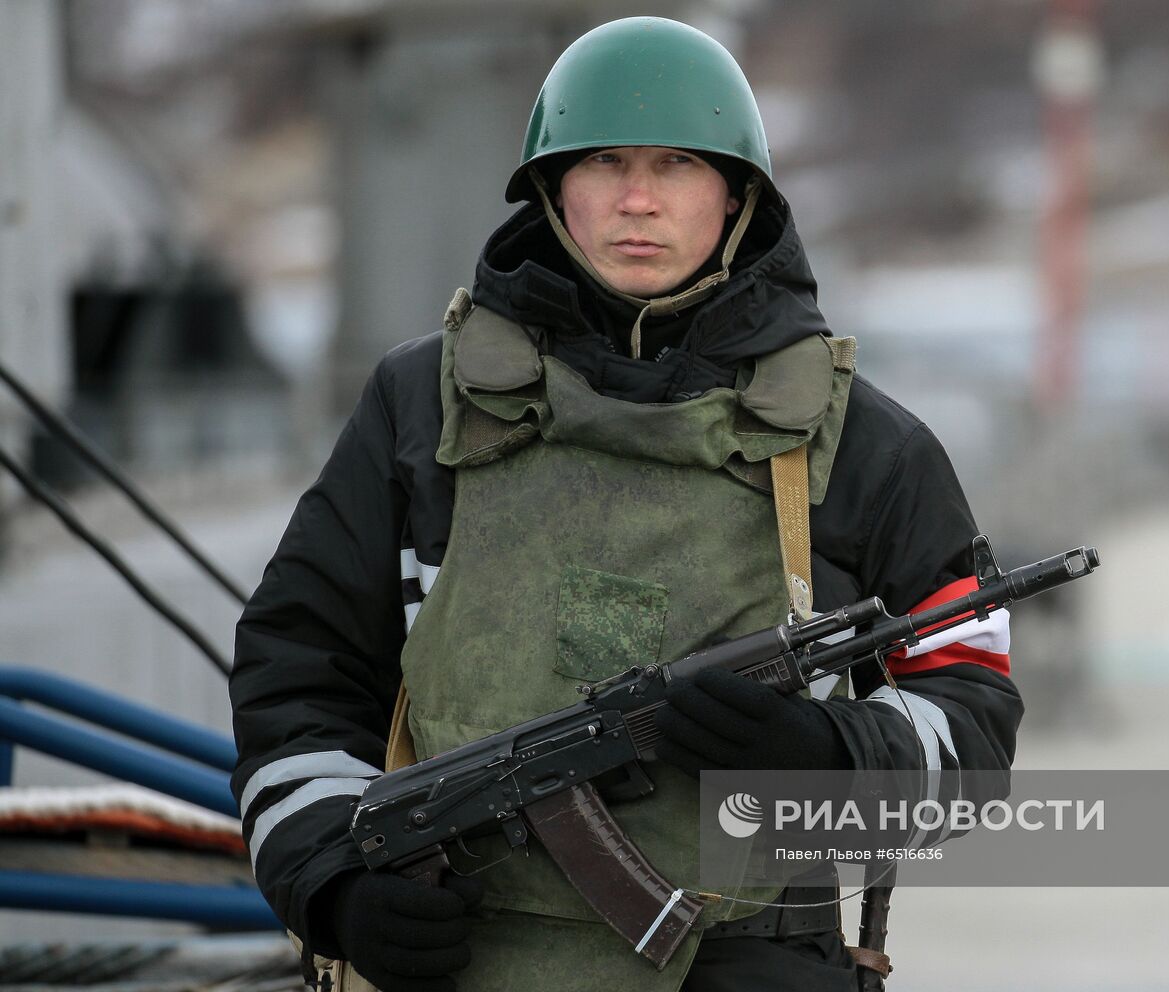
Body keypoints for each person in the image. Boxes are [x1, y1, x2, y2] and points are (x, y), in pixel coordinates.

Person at [230, 16, 1021, 992]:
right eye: (603, 161)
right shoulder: (418, 410)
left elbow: (973, 725)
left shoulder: (863, 446)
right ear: (552, 187)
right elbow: (297, 675)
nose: (637, 199)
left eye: (677, 164)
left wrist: (828, 753)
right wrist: (336, 883)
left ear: (734, 194)